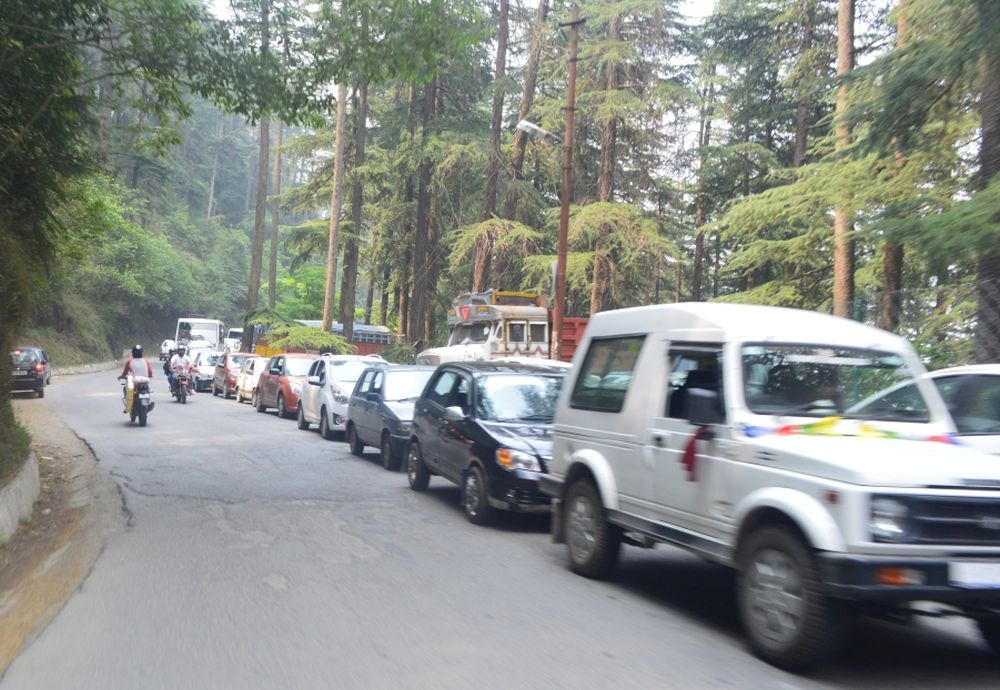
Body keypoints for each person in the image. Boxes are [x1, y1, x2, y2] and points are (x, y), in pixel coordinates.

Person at [119, 344, 154, 414]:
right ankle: (147, 403)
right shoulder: (146, 361)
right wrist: (149, 376)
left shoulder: (130, 361)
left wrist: (122, 376)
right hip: (145, 381)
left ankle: (129, 407)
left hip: (134, 381)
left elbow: (125, 372)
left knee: (127, 389)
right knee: (147, 390)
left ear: (133, 353)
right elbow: (150, 372)